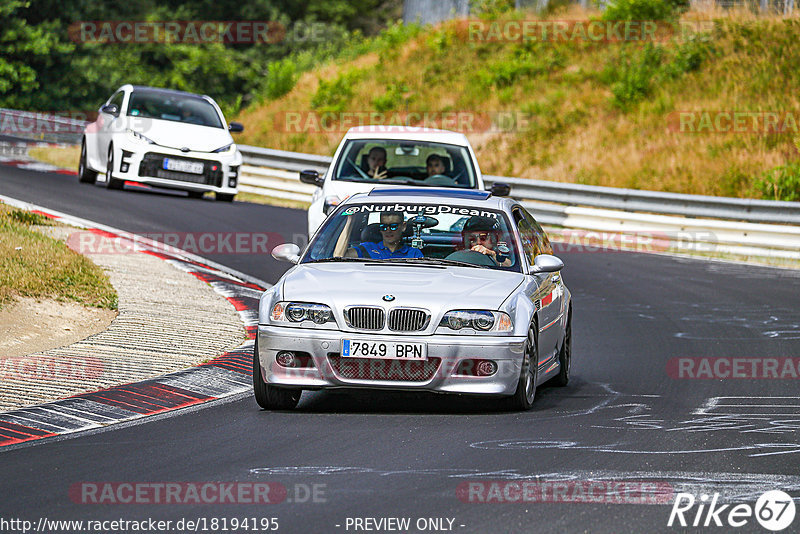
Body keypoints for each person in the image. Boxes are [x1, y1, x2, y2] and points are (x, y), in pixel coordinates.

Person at [346, 211, 423, 259]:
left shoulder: (414, 254)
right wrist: (349, 221)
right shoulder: (366, 249)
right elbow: (338, 255)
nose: (388, 230)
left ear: (403, 227)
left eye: (393, 226)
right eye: (384, 227)